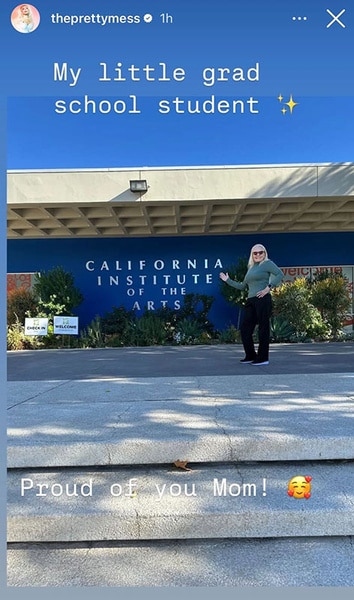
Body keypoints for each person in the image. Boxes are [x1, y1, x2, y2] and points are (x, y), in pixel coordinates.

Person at [220, 243, 283, 365]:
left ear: (264, 253)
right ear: (252, 255)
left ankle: (263, 358)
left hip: (263, 299)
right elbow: (242, 286)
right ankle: (250, 355)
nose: (258, 255)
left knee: (263, 329)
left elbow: (280, 274)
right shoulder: (251, 268)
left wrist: (268, 288)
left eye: (261, 252)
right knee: (245, 329)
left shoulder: (267, 264)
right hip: (251, 301)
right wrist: (227, 280)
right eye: (255, 253)